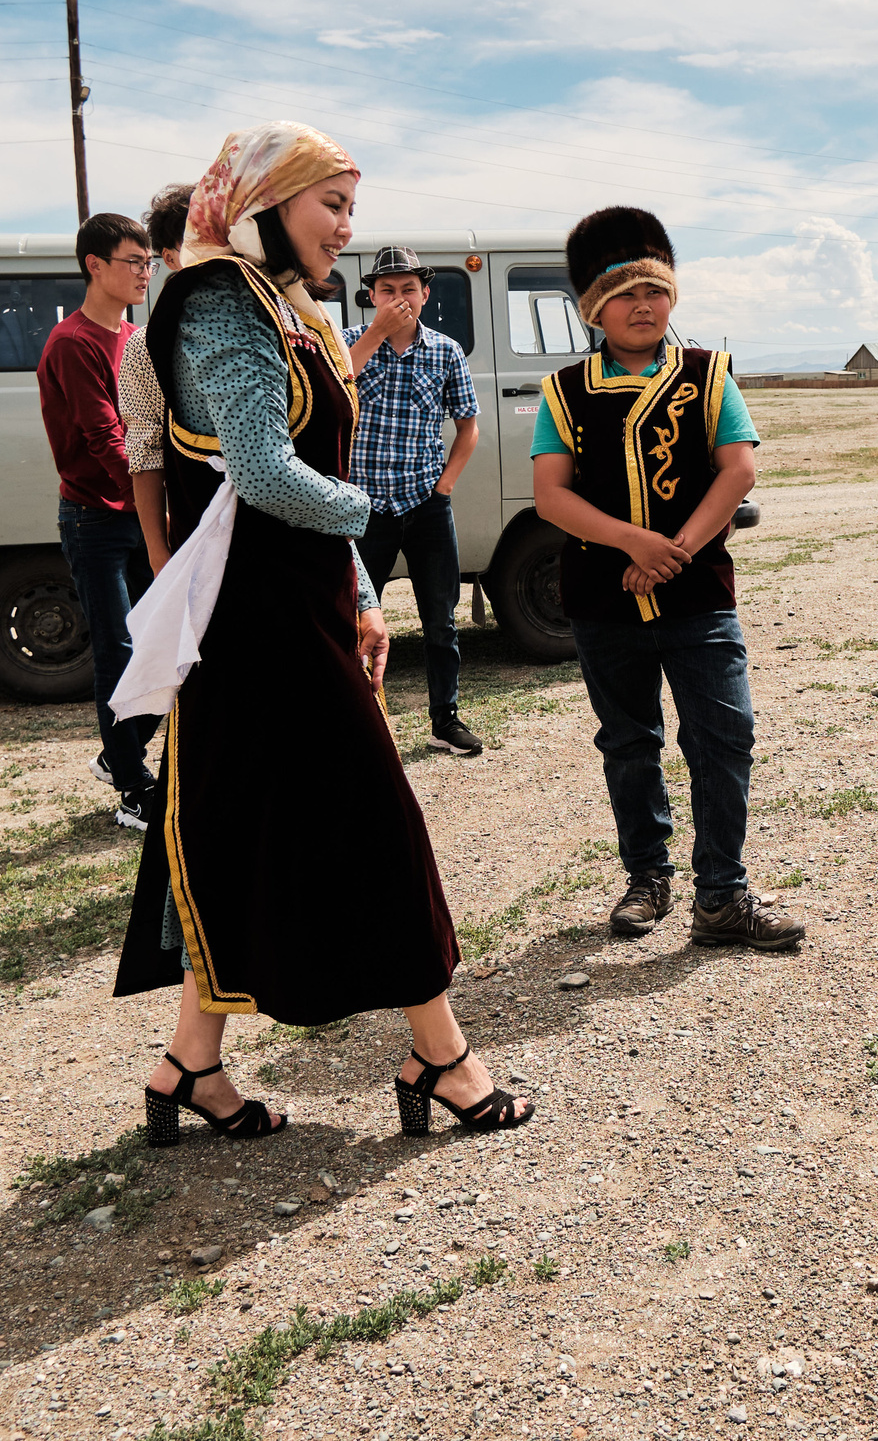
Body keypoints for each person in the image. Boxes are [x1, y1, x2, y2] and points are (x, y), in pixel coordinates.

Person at [113, 120, 531, 1141]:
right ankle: (443, 1056)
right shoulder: (215, 301)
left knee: (243, 826)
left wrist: (358, 590)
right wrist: (369, 524)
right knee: (372, 821)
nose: (347, 230)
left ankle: (187, 1067)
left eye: (351, 208)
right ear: (264, 203)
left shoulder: (277, 301)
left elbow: (305, 466)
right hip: (257, 622)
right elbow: (261, 472)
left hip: (295, 604)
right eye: (331, 206)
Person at [529, 207, 793, 949]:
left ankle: (723, 892)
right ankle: (648, 877)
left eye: (655, 291)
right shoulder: (565, 390)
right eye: (623, 294)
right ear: (595, 308)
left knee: (723, 735)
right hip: (603, 600)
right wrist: (633, 544)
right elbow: (552, 493)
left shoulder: (708, 375)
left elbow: (738, 469)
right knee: (628, 740)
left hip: (697, 592)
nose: (643, 306)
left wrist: (672, 550)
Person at [38, 211, 162, 830]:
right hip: (94, 519)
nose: (145, 273)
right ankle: (132, 785)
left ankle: (119, 753)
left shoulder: (134, 337)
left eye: (149, 262)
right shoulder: (74, 342)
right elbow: (105, 438)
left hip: (137, 514)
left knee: (167, 638)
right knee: (117, 647)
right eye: (133, 262)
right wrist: (155, 505)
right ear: (95, 266)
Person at [344, 246, 486, 757]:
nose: (398, 298)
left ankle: (445, 720)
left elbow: (468, 427)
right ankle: (356, 721)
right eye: (387, 290)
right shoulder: (348, 342)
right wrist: (377, 333)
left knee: (440, 620)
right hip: (363, 507)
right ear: (370, 297)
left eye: (408, 289)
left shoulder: (446, 351)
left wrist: (444, 486)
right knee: (355, 617)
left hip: (426, 503)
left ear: (426, 294)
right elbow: (336, 391)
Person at [118, 182, 194, 578]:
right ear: (170, 257)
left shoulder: (276, 322)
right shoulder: (146, 346)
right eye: (197, 238)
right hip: (198, 534)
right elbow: (145, 453)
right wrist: (158, 552)